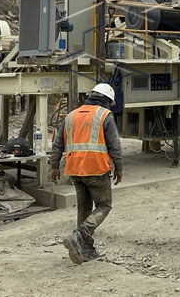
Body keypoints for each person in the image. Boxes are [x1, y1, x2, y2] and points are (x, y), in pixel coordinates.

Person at [49, 82, 123, 264]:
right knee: (104, 205)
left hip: (75, 169)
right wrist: (119, 167)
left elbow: (58, 144)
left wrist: (54, 166)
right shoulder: (105, 115)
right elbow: (114, 144)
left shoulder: (71, 116)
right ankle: (79, 235)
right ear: (106, 100)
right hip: (96, 168)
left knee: (84, 208)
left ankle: (86, 248)